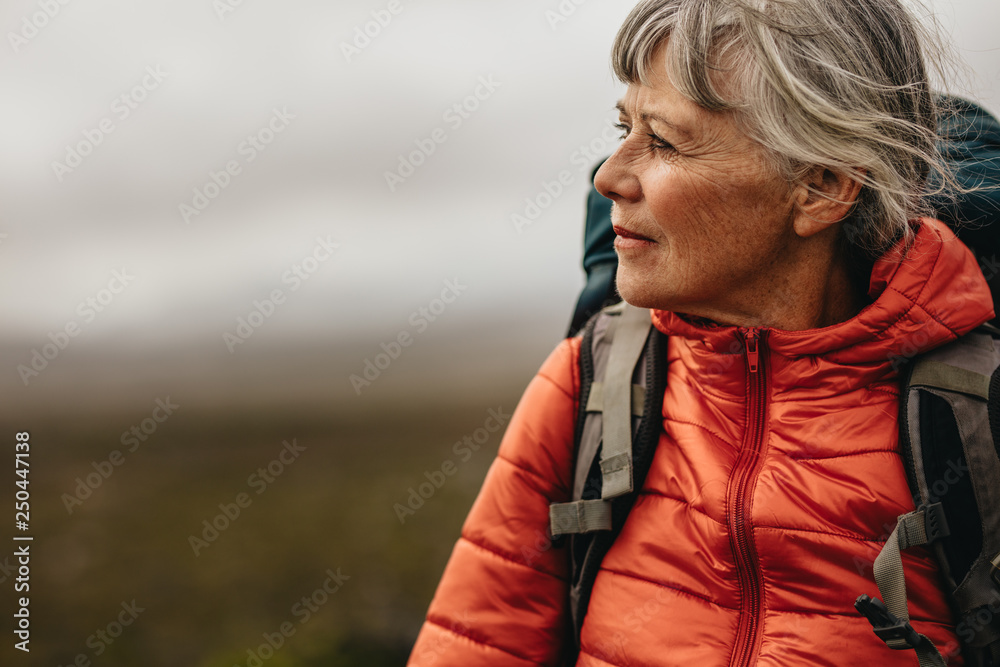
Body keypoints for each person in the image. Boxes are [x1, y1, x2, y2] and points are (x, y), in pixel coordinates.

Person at [407, 0, 995, 664]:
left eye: (662, 140)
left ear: (821, 188)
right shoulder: (589, 384)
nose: (608, 177)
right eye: (622, 126)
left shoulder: (976, 413)